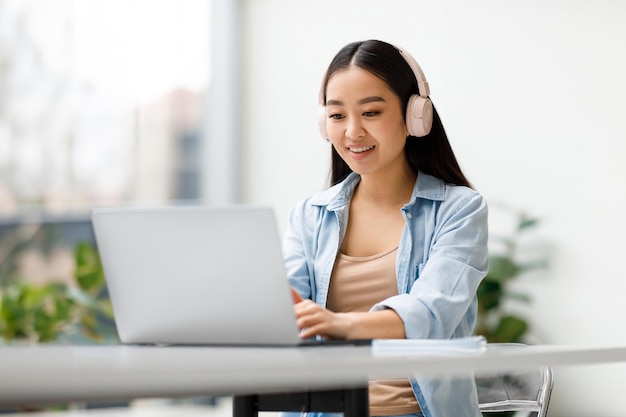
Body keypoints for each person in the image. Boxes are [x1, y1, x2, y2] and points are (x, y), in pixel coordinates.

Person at [282, 40, 488, 417]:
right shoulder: (308, 215)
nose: (352, 132)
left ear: (415, 116)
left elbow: (430, 313)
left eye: (371, 112)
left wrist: (338, 323)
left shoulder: (459, 210)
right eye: (337, 116)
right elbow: (286, 313)